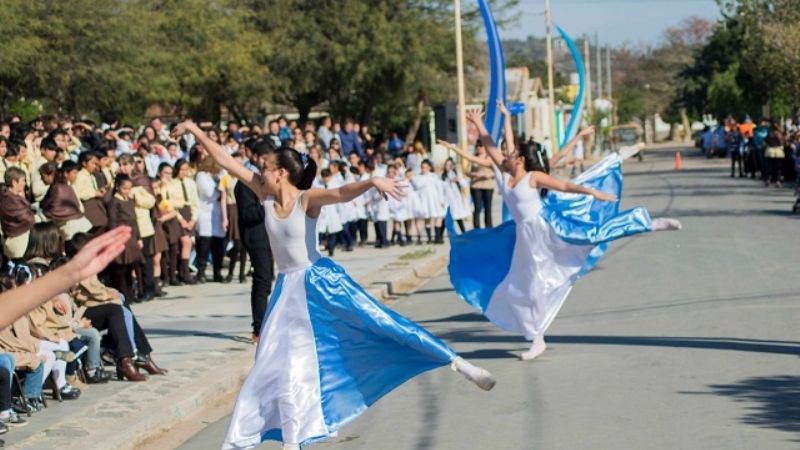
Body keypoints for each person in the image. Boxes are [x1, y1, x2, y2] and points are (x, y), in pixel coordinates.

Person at [171, 120, 495, 450]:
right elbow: (226, 161)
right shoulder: (263, 194)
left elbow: (340, 193)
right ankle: (285, 439)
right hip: (286, 292)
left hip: (319, 283)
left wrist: (371, 180)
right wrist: (194, 131)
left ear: (282, 172)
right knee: (275, 364)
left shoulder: (306, 200)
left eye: (266, 166)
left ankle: (459, 364)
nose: (259, 169)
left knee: (383, 323)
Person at [442, 110, 681, 361]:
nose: (506, 155)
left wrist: (593, 193)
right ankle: (537, 338)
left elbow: (565, 186)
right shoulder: (506, 173)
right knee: (524, 288)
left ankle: (650, 223)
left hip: (548, 228)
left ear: (521, 159)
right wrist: (479, 123)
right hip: (525, 238)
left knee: (595, 234)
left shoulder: (534, 177)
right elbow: (491, 148)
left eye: (511, 154)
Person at [234, 139, 275, 341]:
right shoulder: (246, 182)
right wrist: (267, 205)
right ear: (256, 158)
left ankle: (268, 322)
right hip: (255, 235)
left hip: (269, 234)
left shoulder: (267, 179)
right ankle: (259, 328)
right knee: (261, 280)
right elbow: (247, 214)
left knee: (267, 280)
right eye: (265, 159)